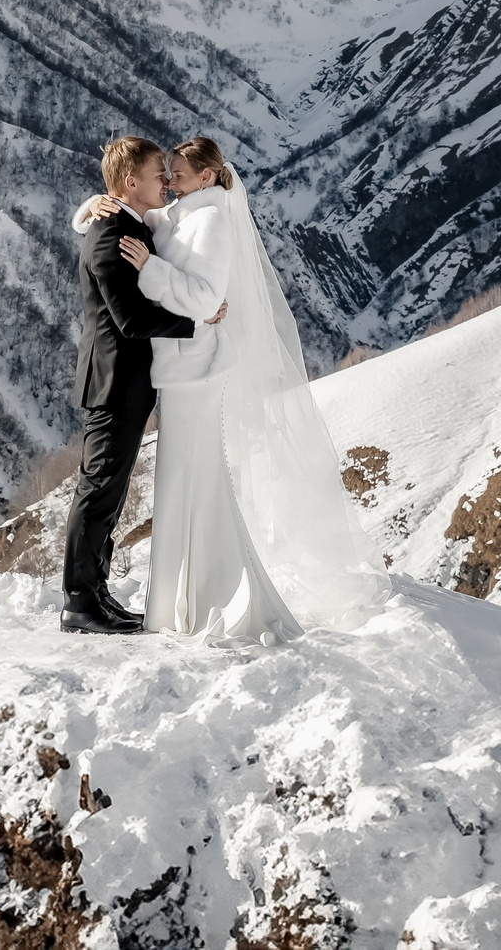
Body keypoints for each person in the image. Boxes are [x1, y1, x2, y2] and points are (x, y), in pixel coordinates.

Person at [72, 136, 384, 642]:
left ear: (207, 177)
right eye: (162, 173)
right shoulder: (166, 217)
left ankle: (184, 595)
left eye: (175, 172)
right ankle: (112, 601)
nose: (167, 180)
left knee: (171, 483)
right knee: (138, 487)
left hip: (187, 373)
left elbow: (199, 293)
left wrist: (156, 272)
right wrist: (92, 205)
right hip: (149, 377)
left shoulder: (206, 219)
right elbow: (126, 237)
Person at [60, 136, 199, 635]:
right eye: (159, 172)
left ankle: (95, 592)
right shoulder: (112, 233)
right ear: (130, 182)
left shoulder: (127, 222)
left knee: (111, 492)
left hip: (126, 382)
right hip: (115, 381)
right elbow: (131, 320)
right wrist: (197, 322)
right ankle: (79, 603)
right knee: (98, 490)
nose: (166, 180)